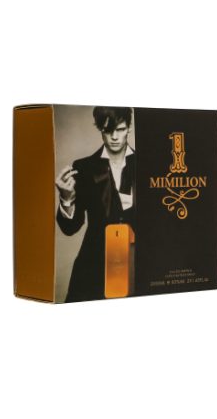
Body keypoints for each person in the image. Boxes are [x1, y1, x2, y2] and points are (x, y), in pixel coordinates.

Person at [55, 107, 135, 302]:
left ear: (129, 128)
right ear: (100, 129)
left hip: (136, 264)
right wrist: (66, 198)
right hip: (93, 270)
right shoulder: (83, 168)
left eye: (120, 129)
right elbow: (70, 228)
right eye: (108, 130)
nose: (114, 137)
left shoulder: (149, 165)